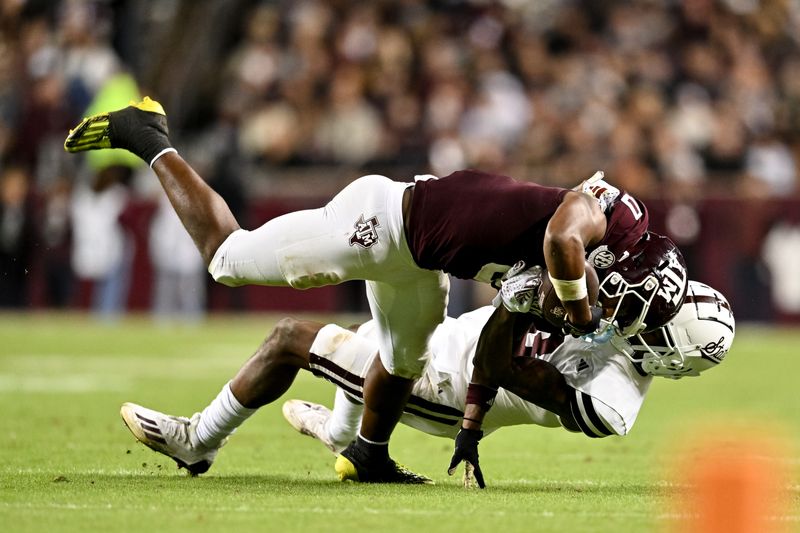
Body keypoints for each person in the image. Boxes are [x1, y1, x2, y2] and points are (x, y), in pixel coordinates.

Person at [64, 97, 683, 483]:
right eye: (617, 298)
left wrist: (471, 420)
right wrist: (576, 307)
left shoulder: (601, 253)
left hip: (420, 261)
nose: (608, 311)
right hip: (382, 224)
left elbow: (507, 324)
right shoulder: (593, 226)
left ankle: (368, 454)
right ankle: (147, 134)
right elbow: (562, 238)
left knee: (403, 360)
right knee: (226, 259)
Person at [118, 280, 734, 487]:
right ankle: (340, 435)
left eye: (658, 318)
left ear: (670, 357)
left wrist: (520, 301)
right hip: (446, 339)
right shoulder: (627, 319)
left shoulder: (612, 404)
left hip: (444, 387)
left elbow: (503, 367)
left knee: (290, 338)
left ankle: (198, 438)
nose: (645, 309)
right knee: (367, 334)